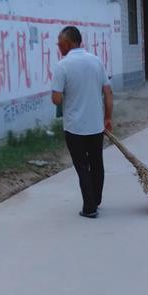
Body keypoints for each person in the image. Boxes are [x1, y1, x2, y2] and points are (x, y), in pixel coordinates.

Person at [51, 26, 113, 218]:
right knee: (96, 163)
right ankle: (96, 199)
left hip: (74, 128)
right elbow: (108, 92)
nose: (57, 45)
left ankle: (89, 207)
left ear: (69, 43)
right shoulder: (96, 61)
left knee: (82, 166)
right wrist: (108, 117)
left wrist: (62, 93)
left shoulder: (62, 66)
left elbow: (56, 99)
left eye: (59, 42)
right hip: (95, 125)